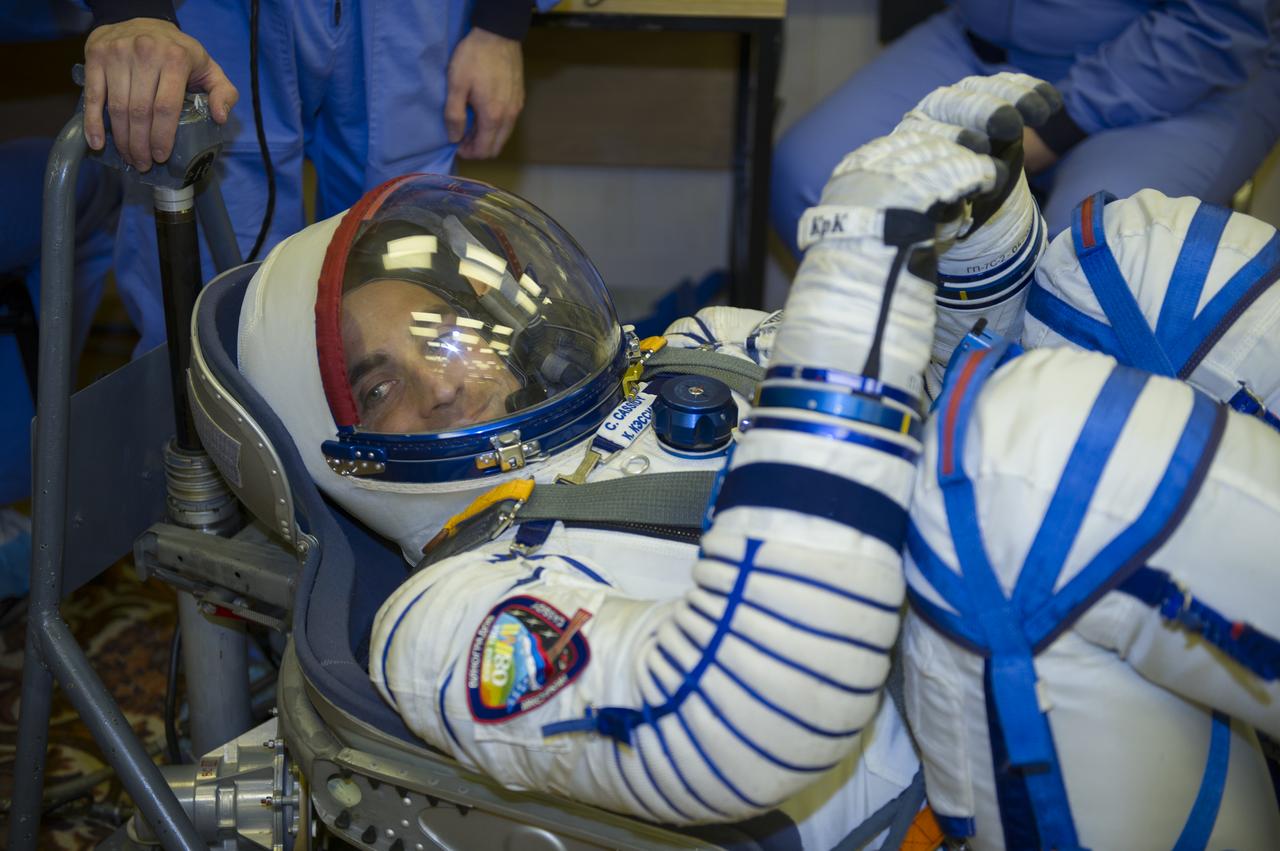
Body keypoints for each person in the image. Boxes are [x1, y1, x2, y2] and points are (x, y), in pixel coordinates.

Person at [234, 72, 1280, 847]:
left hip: (1058, 665)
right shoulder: (446, 617)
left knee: (1124, 266)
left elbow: (945, 373)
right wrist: (851, 291)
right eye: (379, 385)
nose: (442, 380)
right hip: (943, 798)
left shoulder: (688, 353)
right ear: (336, 451)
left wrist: (970, 232)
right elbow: (732, 722)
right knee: (1008, 460)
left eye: (443, 332)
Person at [81, 0, 555, 354]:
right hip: (211, 16)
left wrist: (501, 24)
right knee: (208, 313)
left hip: (411, 19)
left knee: (409, 281)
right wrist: (133, 12)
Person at [771, 0, 1280, 255]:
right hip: (982, 42)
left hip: (1190, 70)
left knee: (1095, 253)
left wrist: (1052, 131)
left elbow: (1215, 24)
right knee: (822, 185)